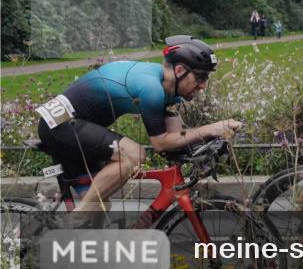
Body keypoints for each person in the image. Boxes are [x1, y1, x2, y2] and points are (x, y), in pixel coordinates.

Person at [35, 35, 243, 215]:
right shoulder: (151, 88)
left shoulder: (170, 90)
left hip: (76, 129)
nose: (203, 85)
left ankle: (74, 240)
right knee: (134, 155)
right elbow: (160, 144)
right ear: (179, 70)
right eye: (200, 76)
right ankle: (76, 217)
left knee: (98, 209)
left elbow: (176, 138)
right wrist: (211, 128)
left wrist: (211, 141)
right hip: (59, 126)